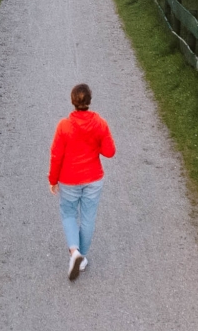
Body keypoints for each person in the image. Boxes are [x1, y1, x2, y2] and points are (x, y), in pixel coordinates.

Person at [48, 82, 117, 280]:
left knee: (69, 213)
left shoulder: (64, 126)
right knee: (88, 218)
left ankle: (74, 252)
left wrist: (53, 180)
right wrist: (96, 145)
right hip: (93, 179)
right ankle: (82, 256)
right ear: (89, 101)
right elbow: (110, 152)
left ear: (73, 101)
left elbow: (56, 155)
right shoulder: (100, 123)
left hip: (69, 179)